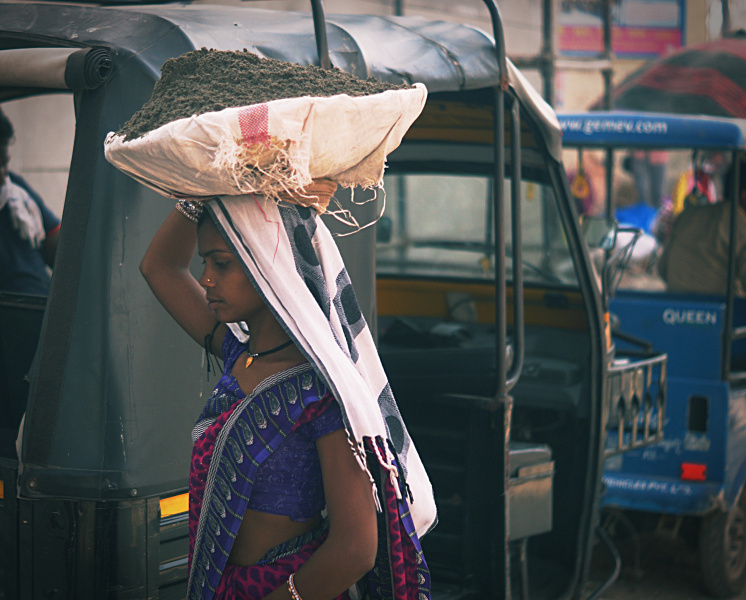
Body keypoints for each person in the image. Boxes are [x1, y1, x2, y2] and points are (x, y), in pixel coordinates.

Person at [140, 183, 435, 600]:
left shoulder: (324, 393)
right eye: (205, 262)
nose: (205, 278)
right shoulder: (239, 355)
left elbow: (356, 549)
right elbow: (159, 267)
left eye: (221, 263)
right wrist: (203, 191)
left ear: (268, 263)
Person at [658, 160, 746, 296]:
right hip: (720, 306)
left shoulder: (687, 216)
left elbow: (663, 269)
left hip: (674, 304)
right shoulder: (740, 225)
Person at [0, 109, 60, 295]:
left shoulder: (15, 188)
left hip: (44, 303)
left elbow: (56, 244)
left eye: (4, 164)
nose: (2, 175)